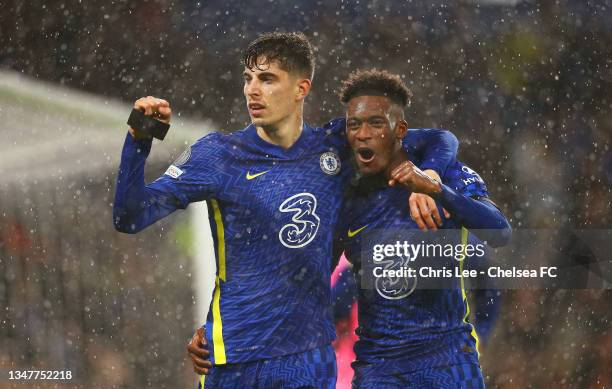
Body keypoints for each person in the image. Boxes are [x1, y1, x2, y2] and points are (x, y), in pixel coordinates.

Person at [114, 33, 459, 388]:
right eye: (248, 79)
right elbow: (131, 216)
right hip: (232, 360)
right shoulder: (218, 155)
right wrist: (140, 139)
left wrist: (430, 175)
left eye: (267, 79)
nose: (252, 90)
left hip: (307, 360)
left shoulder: (337, 146)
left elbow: (438, 139)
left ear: (301, 88)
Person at [333, 69, 511, 388]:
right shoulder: (345, 194)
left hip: (449, 358)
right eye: (354, 124)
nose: (362, 134)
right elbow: (330, 292)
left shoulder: (447, 173)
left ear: (401, 130)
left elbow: (498, 232)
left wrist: (437, 190)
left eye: (375, 123)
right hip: (379, 366)